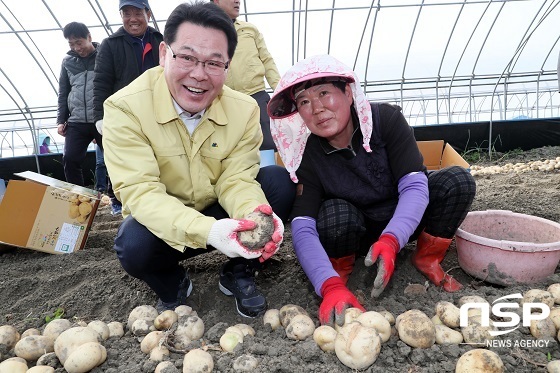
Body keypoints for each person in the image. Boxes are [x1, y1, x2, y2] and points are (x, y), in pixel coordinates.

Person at [102, 1, 295, 317]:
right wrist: (210, 232)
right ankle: (172, 283)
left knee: (276, 183)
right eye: (187, 57)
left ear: (227, 66)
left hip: (217, 207)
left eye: (214, 63)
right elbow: (142, 193)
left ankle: (238, 269)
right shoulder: (125, 109)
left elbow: (237, 178)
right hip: (166, 223)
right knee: (132, 243)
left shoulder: (244, 110)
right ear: (164, 54)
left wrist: (253, 215)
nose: (199, 75)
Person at [267, 55, 476, 327]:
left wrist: (392, 240)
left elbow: (414, 184)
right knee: (333, 215)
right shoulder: (308, 156)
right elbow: (303, 226)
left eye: (324, 93)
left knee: (456, 181)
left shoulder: (385, 120)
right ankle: (339, 273)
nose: (316, 108)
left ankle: (427, 258)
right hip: (357, 232)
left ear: (348, 94)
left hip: (405, 220)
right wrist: (327, 285)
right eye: (304, 101)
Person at [93, 0, 163, 216]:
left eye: (137, 13)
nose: (132, 19)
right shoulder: (110, 44)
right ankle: (123, 202)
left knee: (159, 157)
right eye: (126, 13)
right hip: (126, 113)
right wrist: (99, 117)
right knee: (127, 161)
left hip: (157, 110)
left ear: (148, 14)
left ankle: (161, 201)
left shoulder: (161, 40)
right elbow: (101, 82)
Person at [211, 0, 281, 166]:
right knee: (230, 148)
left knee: (266, 147)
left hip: (257, 96)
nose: (238, 1)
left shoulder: (249, 29)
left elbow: (267, 60)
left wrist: (281, 91)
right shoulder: (207, 31)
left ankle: (269, 182)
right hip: (223, 101)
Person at [56, 22, 101, 187]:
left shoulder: (104, 56)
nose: (76, 47)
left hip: (101, 118)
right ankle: (79, 197)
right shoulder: (67, 61)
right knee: (70, 158)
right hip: (77, 120)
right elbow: (63, 92)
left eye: (79, 42)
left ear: (89, 37)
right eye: (71, 44)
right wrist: (61, 120)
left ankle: (115, 198)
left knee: (113, 159)